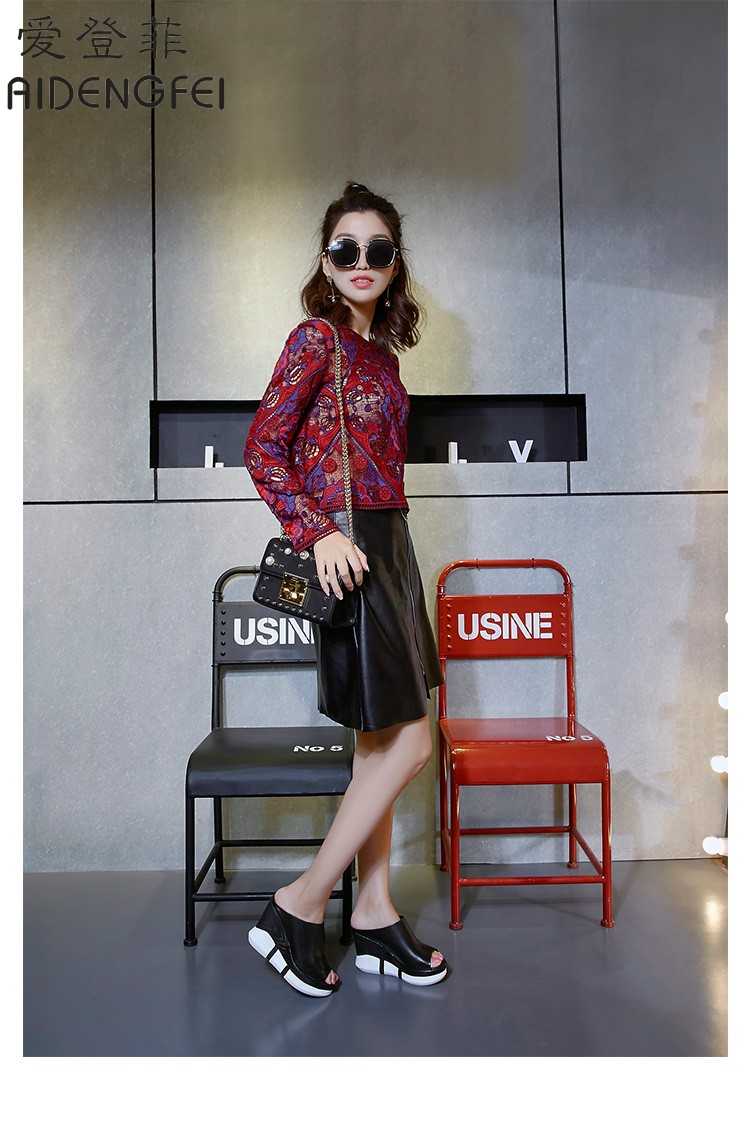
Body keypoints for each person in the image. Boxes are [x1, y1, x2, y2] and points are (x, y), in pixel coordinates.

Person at [243, 181, 447, 998]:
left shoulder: (381, 356)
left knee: (378, 743)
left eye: (378, 250)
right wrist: (317, 532)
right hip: (348, 551)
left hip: (392, 547)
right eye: (346, 249)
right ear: (327, 262)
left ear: (394, 265)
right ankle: (297, 903)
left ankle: (372, 913)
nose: (362, 261)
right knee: (413, 743)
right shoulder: (314, 339)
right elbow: (263, 448)